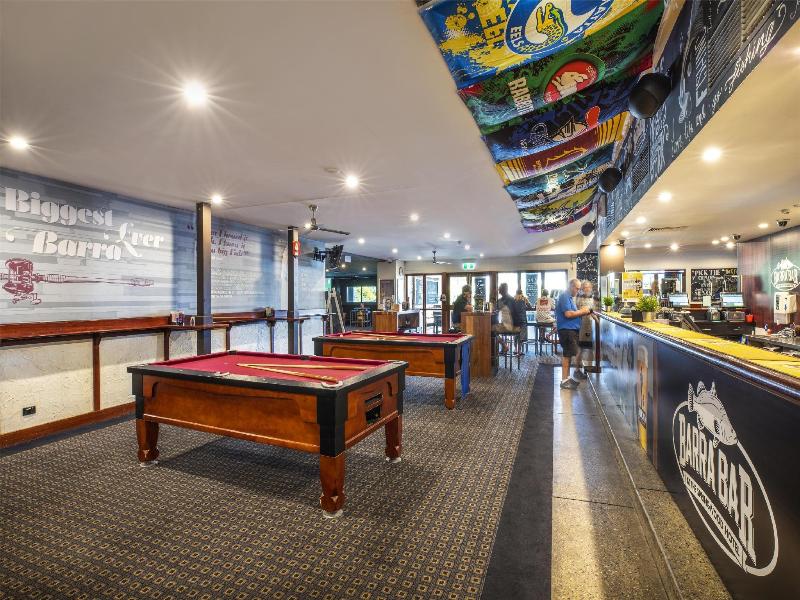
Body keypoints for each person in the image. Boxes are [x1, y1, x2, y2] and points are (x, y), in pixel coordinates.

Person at [556, 278, 593, 389]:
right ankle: (564, 380)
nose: (578, 291)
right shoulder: (564, 296)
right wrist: (583, 311)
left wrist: (583, 312)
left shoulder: (569, 298)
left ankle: (567, 378)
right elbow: (568, 314)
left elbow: (573, 313)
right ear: (571, 286)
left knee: (569, 354)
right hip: (567, 330)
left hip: (571, 330)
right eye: (577, 288)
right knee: (567, 355)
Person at [576, 280, 599, 373]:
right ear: (582, 288)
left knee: (591, 349)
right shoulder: (578, 299)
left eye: (589, 287)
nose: (587, 289)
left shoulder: (593, 299)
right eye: (585, 287)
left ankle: (589, 369)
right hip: (581, 327)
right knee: (580, 349)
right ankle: (577, 369)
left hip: (591, 327)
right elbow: (580, 310)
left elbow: (594, 311)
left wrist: (596, 319)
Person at [512, 289, 533, 354]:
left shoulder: (513, 299)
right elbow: (530, 307)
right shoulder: (524, 299)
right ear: (522, 293)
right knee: (522, 336)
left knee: (516, 334)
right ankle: (519, 350)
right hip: (522, 320)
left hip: (514, 320)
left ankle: (515, 349)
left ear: (516, 293)